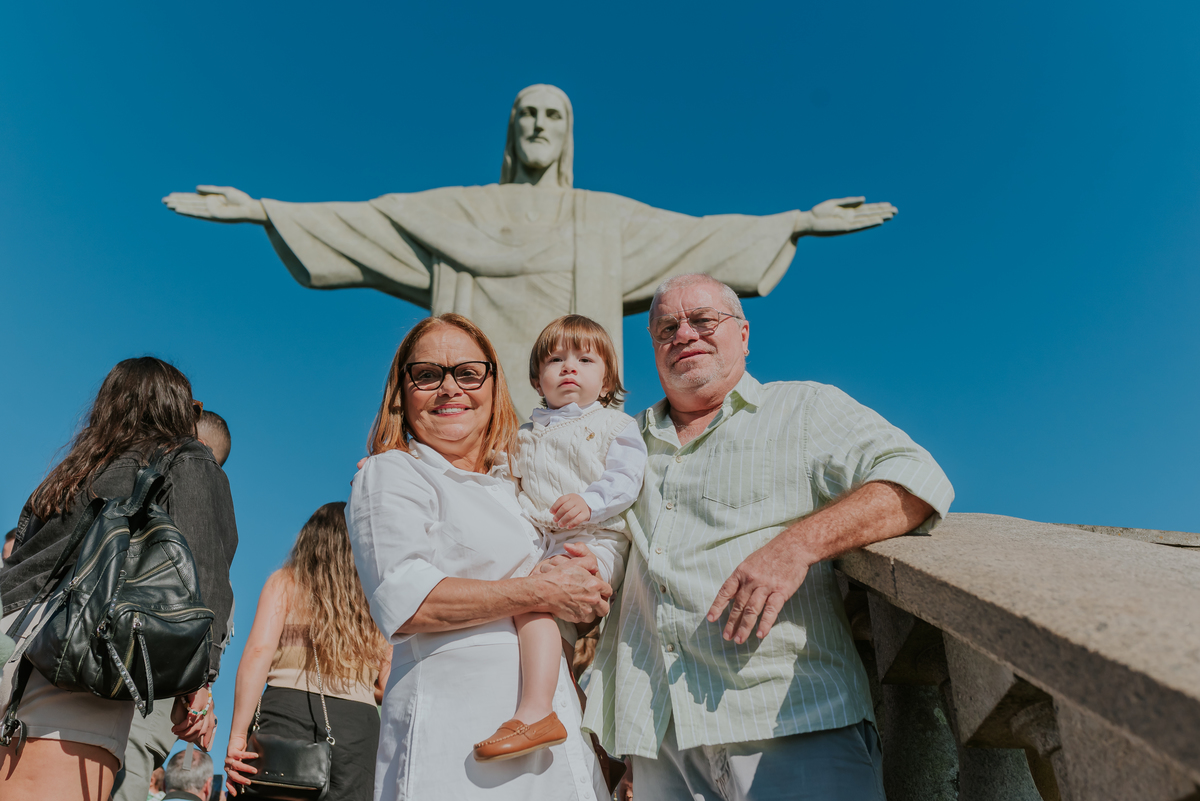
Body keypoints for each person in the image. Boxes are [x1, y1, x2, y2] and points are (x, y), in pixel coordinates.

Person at [163, 84, 897, 414]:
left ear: (567, 132)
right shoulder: (461, 210)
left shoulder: (602, 216)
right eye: (527, 113)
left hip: (576, 415)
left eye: (553, 114)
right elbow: (372, 222)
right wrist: (265, 210)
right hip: (473, 409)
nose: (539, 124)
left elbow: (697, 234)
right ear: (512, 130)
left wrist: (795, 221)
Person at [582, 274, 955, 800]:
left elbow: (918, 481)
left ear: (743, 334)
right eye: (667, 327)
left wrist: (797, 545)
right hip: (658, 744)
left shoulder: (803, 409)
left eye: (703, 320)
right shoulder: (623, 439)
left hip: (793, 719)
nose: (684, 334)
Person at [345, 313, 613, 799]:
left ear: (494, 386)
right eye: (427, 375)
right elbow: (409, 600)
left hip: (556, 743)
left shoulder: (518, 486)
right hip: (457, 741)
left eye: (469, 373)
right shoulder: (392, 474)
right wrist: (543, 589)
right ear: (400, 394)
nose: (451, 389)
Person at [0, 357, 239, 801]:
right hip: (76, 655)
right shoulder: (186, 460)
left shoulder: (71, 470)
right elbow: (201, 577)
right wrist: (199, 683)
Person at [473, 315, 646, 762]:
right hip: (544, 543)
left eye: (585, 359)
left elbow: (628, 479)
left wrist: (591, 501)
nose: (570, 368)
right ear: (537, 378)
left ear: (606, 377)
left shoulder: (616, 425)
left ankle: (534, 711)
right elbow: (503, 484)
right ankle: (564, 710)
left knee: (537, 596)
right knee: (538, 616)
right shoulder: (524, 436)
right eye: (555, 360)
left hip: (597, 538)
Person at [224, 502, 390, 801]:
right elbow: (387, 681)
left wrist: (237, 736)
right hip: (358, 727)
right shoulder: (376, 596)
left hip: (286, 713)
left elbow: (258, 653)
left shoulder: (284, 583)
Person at [113, 408, 234, 801]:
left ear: (196, 448)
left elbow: (202, 583)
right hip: (160, 676)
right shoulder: (211, 503)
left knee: (125, 768)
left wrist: (202, 681)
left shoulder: (191, 473)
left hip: (142, 672)